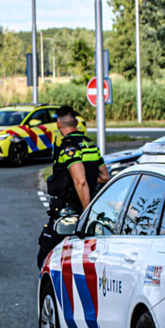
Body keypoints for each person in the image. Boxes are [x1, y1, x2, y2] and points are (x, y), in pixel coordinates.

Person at [37, 106, 110, 268]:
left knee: (46, 257)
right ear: (76, 122)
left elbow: (80, 181)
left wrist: (86, 215)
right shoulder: (90, 145)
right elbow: (104, 177)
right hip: (85, 208)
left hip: (70, 212)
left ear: (58, 125)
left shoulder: (68, 147)